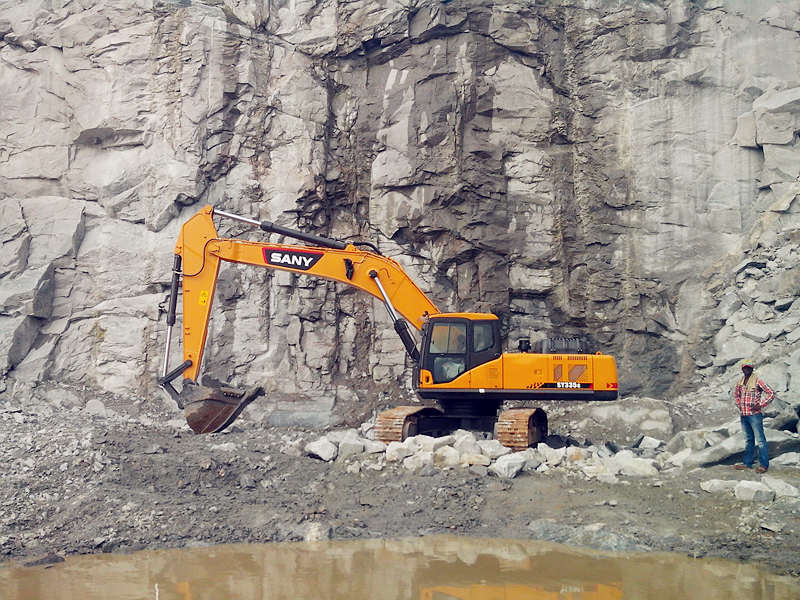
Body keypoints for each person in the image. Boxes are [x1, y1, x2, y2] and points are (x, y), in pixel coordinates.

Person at [733, 360, 775, 473]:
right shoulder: (740, 382)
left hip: (754, 415)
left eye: (749, 368)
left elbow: (771, 393)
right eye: (745, 368)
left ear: (752, 369)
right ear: (742, 369)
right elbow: (736, 394)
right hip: (744, 415)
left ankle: (764, 465)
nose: (746, 370)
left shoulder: (757, 380)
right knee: (748, 440)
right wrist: (739, 405)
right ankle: (747, 463)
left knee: (760, 440)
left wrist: (760, 405)